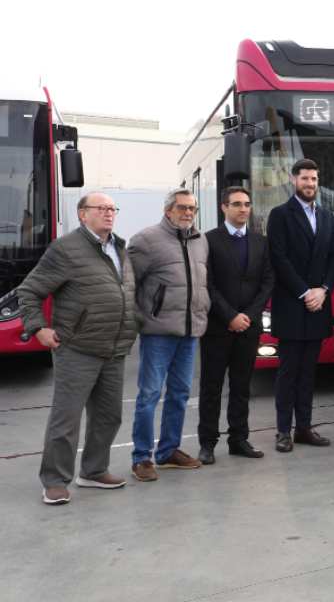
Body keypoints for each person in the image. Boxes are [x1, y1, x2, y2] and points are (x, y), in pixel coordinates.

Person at [17, 193, 139, 505]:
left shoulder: (119, 247)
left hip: (114, 347)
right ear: (83, 214)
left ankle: (94, 471)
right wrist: (38, 328)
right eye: (102, 208)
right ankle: (55, 480)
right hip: (77, 348)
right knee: (66, 418)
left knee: (109, 416)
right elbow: (29, 291)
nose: (109, 213)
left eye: (113, 209)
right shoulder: (65, 249)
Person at [127, 188, 211, 480]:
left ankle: (168, 451)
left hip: (189, 333)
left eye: (192, 209)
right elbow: (127, 285)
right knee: (149, 394)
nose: (188, 213)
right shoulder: (146, 241)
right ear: (168, 210)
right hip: (158, 333)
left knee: (180, 394)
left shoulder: (201, 241)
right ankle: (141, 458)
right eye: (182, 208)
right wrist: (141, 319)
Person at [197, 186, 275, 464]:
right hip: (218, 327)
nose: (243, 209)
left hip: (248, 327)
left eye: (247, 204)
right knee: (212, 387)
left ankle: (239, 439)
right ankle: (207, 443)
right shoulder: (209, 241)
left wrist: (249, 316)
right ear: (224, 208)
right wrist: (230, 315)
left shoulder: (260, 242)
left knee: (242, 387)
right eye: (237, 204)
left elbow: (267, 281)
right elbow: (208, 283)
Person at [267, 159, 334, 452]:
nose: (310, 184)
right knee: (288, 373)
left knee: (309, 373)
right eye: (305, 178)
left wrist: (323, 290)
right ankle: (283, 431)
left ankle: (304, 428)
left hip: (318, 306)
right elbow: (279, 258)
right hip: (292, 305)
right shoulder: (280, 215)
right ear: (294, 180)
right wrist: (304, 292)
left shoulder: (326, 216)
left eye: (314, 179)